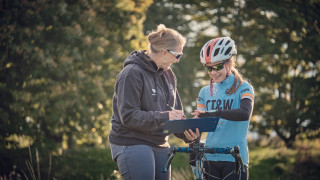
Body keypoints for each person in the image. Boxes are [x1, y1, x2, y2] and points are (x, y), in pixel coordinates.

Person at [108, 24, 188, 180]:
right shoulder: (131, 73)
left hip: (160, 143)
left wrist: (188, 133)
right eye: (178, 55)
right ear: (164, 52)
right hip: (131, 141)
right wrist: (165, 117)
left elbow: (174, 114)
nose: (178, 61)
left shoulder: (169, 75)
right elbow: (129, 117)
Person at [185, 37, 255, 180]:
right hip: (210, 157)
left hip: (234, 158)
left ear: (229, 63)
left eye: (217, 67)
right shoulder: (204, 92)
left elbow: (244, 114)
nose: (213, 72)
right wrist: (193, 147)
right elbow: (200, 124)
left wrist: (214, 114)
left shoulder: (244, 87)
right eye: (208, 68)